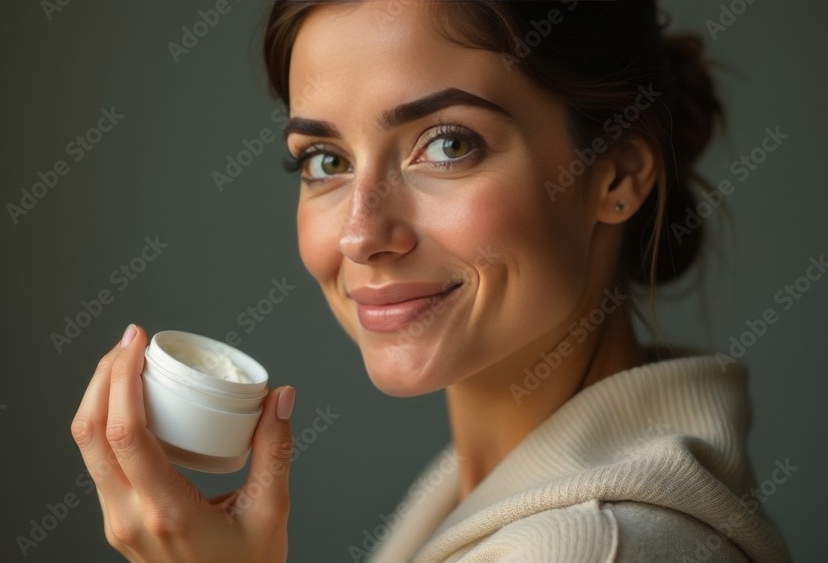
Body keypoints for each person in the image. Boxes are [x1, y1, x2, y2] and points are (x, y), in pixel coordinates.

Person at [70, 1, 791, 561]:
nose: (360, 232)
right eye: (324, 159)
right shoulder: (482, 500)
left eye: (447, 145)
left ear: (618, 175)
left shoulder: (593, 546)